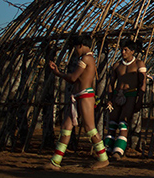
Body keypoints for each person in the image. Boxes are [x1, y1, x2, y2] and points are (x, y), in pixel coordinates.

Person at [46, 34, 109, 169]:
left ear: (80, 45)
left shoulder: (86, 58)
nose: (75, 50)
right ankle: (55, 161)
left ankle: (103, 158)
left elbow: (73, 78)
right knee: (66, 127)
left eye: (75, 47)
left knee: (90, 129)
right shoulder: (89, 59)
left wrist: (58, 73)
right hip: (80, 96)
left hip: (85, 96)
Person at [103, 39, 147, 160]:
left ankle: (118, 151)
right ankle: (107, 148)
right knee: (112, 122)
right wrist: (110, 98)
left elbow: (142, 83)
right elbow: (111, 83)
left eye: (126, 50)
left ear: (132, 51)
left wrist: (139, 100)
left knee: (124, 121)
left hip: (131, 95)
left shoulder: (139, 64)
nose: (123, 52)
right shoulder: (117, 65)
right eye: (122, 49)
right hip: (117, 95)